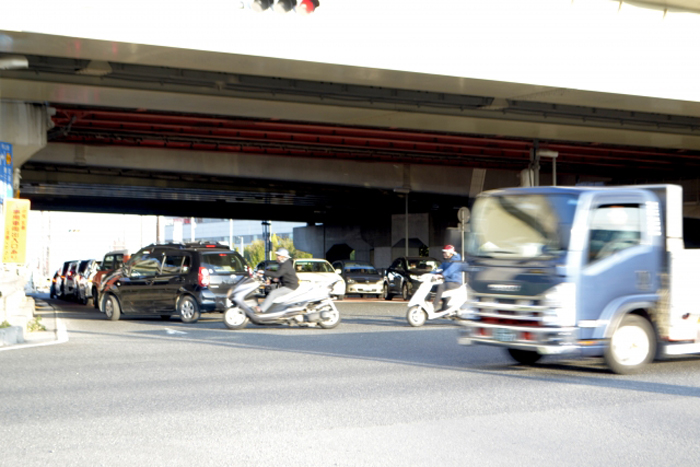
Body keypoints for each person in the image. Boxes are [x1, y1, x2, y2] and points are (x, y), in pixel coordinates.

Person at [256, 248, 299, 313]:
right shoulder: (284, 263)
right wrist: (272, 281)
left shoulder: (285, 265)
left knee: (273, 293)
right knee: (275, 294)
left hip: (290, 286)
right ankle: (270, 309)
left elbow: (277, 274)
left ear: (283, 257)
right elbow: (281, 276)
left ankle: (261, 309)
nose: (277, 257)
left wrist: (263, 272)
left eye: (278, 255)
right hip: (289, 285)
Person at [432, 244, 468, 311]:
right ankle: (444, 308)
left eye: (445, 252)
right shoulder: (446, 261)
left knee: (441, 286)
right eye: (443, 252)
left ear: (451, 253)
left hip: (455, 283)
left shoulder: (456, 261)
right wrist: (430, 274)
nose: (443, 254)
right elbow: (439, 269)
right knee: (435, 287)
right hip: (448, 282)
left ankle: (433, 307)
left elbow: (450, 270)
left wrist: (442, 275)